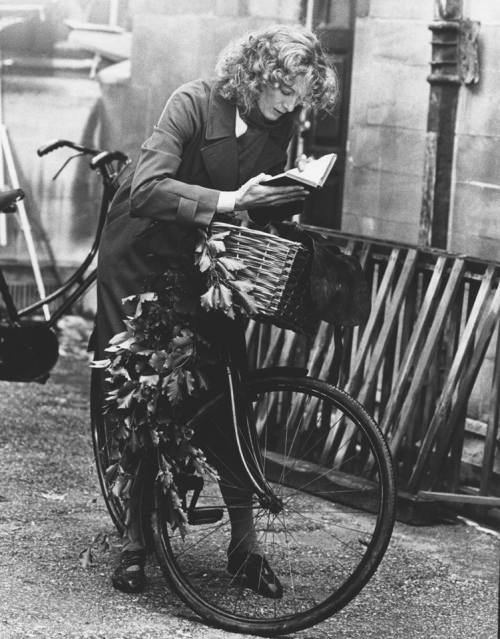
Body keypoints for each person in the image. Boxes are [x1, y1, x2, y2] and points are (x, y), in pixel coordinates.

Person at [95, 23, 338, 597]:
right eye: (285, 88)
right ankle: (135, 541)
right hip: (143, 257)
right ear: (257, 73)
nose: (291, 103)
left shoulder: (276, 127)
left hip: (209, 265)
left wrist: (282, 207)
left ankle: (245, 547)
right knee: (148, 396)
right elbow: (146, 191)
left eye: (301, 94)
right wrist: (232, 201)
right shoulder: (193, 103)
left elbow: (253, 198)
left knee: (231, 385)